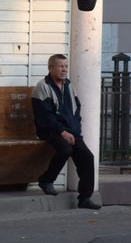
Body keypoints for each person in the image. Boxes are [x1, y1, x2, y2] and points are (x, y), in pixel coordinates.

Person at [32, 54, 100, 210]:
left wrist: (75, 131)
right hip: (49, 130)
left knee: (87, 157)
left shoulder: (69, 85)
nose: (64, 69)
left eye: (66, 66)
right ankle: (46, 180)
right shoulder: (43, 86)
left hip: (70, 132)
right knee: (65, 149)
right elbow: (46, 116)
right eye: (60, 66)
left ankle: (84, 199)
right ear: (51, 68)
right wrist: (62, 132)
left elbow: (77, 110)